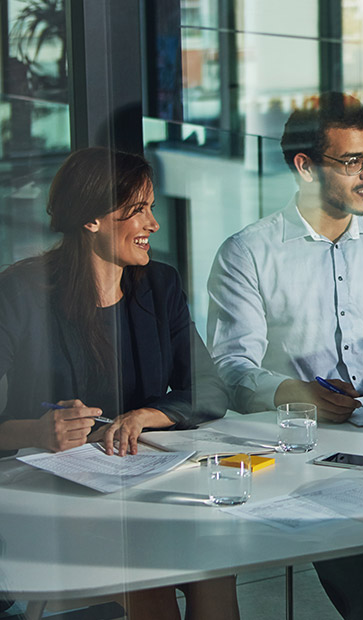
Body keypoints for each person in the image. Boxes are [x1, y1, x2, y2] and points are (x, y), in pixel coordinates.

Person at [206, 92, 363, 620]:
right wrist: (299, 395)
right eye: (352, 162)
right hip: (298, 445)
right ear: (305, 168)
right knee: (337, 532)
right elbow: (230, 368)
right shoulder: (248, 253)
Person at [0, 147, 237, 619]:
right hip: (51, 492)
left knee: (214, 566)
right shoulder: (20, 292)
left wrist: (147, 415)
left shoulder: (160, 285)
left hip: (140, 483)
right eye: (138, 211)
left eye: (151, 208)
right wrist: (37, 431)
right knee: (148, 578)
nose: (153, 224)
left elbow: (211, 388)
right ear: (91, 219)